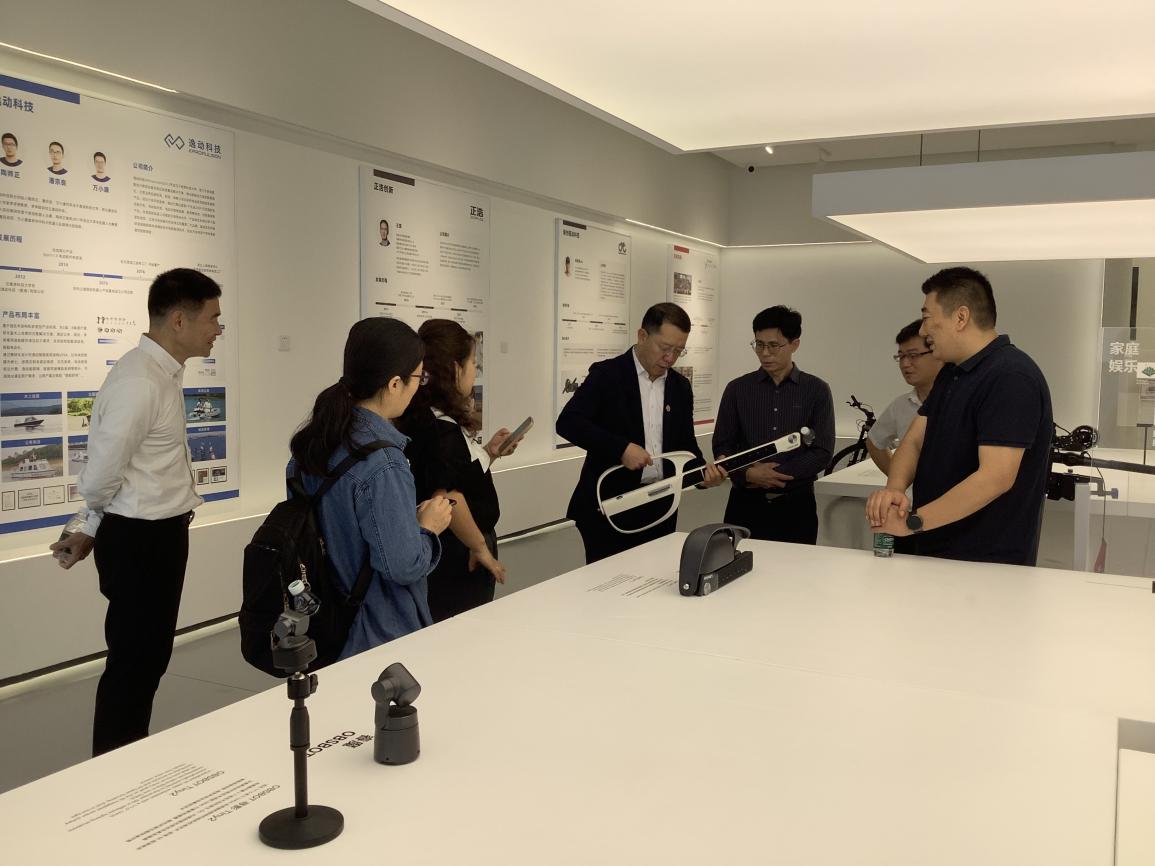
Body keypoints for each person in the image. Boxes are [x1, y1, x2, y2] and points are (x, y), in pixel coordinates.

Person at [48, 268, 222, 755]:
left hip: (155, 536)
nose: (218, 329)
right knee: (134, 663)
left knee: (146, 659)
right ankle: (113, 764)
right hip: (142, 542)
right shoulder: (140, 381)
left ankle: (126, 756)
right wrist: (93, 523)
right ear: (180, 320)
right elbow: (100, 476)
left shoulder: (160, 374)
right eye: (213, 318)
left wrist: (92, 525)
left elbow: (126, 473)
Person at [865, 267, 1053, 565]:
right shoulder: (952, 373)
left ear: (961, 317)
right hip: (937, 550)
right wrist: (895, 491)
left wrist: (913, 522)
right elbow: (914, 441)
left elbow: (995, 478)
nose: (923, 331)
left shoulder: (1010, 377)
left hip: (986, 561)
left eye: (927, 317)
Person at [289, 317, 452, 659]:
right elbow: (403, 565)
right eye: (418, 377)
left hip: (323, 624)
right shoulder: (384, 463)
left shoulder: (312, 446)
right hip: (379, 632)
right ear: (394, 384)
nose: (419, 387)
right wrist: (428, 527)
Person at [557, 302, 724, 564]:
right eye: (665, 348)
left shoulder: (680, 387)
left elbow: (685, 447)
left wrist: (703, 476)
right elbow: (568, 422)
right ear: (642, 336)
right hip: (609, 506)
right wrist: (621, 448)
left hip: (660, 507)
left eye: (678, 351)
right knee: (608, 583)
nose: (670, 358)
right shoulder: (607, 375)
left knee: (657, 581)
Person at [399, 319, 515, 621]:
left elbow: (457, 474)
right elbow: (449, 495)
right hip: (458, 551)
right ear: (455, 369)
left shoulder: (423, 418)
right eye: (473, 363)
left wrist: (490, 452)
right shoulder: (441, 430)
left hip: (446, 548)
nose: (475, 370)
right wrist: (480, 548)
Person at [712, 306, 835, 544]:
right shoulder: (738, 389)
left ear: (794, 344)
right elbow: (723, 445)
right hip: (745, 503)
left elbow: (822, 451)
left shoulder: (816, 390)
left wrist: (776, 474)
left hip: (796, 505)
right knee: (738, 563)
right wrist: (749, 473)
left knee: (797, 566)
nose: (765, 353)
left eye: (773, 345)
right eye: (759, 345)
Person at [866, 319, 943, 475]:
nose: (905, 364)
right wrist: (899, 478)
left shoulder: (963, 398)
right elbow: (874, 443)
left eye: (913, 355)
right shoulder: (901, 405)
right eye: (901, 356)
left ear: (938, 352)